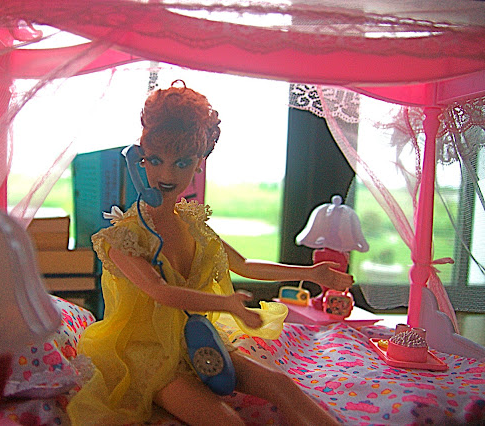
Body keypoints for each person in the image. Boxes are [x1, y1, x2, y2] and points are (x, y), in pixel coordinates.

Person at [67, 80, 353, 425]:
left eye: (182, 162)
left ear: (199, 163)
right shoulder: (124, 237)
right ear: (139, 160)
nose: (166, 174)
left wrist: (311, 273)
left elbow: (244, 265)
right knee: (227, 421)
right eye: (155, 160)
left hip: (196, 341)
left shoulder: (192, 224)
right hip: (148, 355)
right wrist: (226, 304)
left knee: (282, 385)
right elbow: (160, 291)